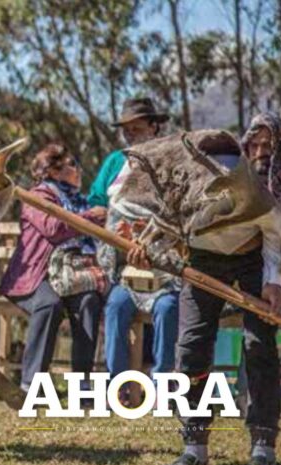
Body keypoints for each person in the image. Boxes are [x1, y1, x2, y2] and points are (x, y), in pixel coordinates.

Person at [149, 142, 281, 465]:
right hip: (203, 260)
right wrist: (145, 248)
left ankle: (263, 446)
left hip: (252, 257)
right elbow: (162, 231)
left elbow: (273, 232)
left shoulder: (251, 186)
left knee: (259, 344)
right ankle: (194, 447)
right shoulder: (181, 188)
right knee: (191, 347)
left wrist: (273, 282)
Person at [90, 99, 179, 400]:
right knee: (115, 307)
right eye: (126, 130)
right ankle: (119, 388)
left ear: (154, 127)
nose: (130, 135)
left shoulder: (171, 161)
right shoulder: (115, 162)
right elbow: (97, 201)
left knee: (168, 309)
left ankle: (162, 389)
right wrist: (111, 223)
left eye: (136, 128)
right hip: (124, 266)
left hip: (164, 270)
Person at [0, 145, 106, 393]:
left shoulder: (79, 201)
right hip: (37, 276)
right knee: (49, 304)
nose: (79, 169)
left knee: (89, 301)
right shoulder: (36, 197)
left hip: (73, 276)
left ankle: (82, 385)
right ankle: (31, 384)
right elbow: (53, 229)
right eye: (72, 164)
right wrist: (91, 218)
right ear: (53, 170)